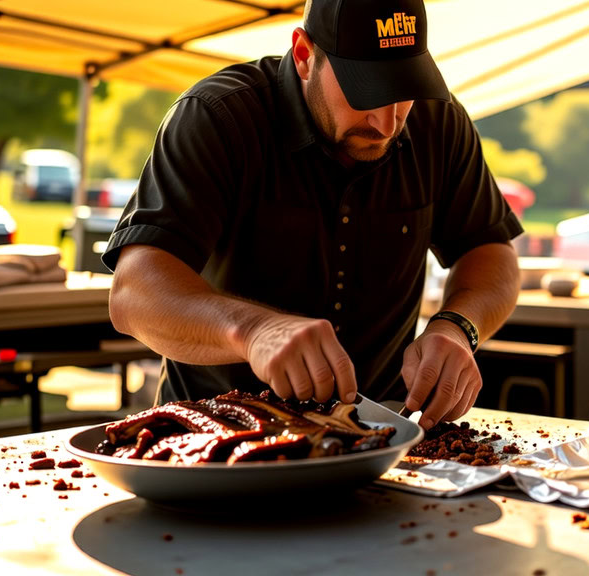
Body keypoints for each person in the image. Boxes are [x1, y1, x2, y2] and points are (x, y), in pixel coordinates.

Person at [104, 0, 522, 430]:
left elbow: (491, 253)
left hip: (377, 439)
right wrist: (253, 331)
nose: (386, 122)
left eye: (403, 90)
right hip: (211, 441)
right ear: (305, 55)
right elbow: (134, 295)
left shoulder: (439, 123)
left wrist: (457, 327)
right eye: (366, 91)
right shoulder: (218, 116)